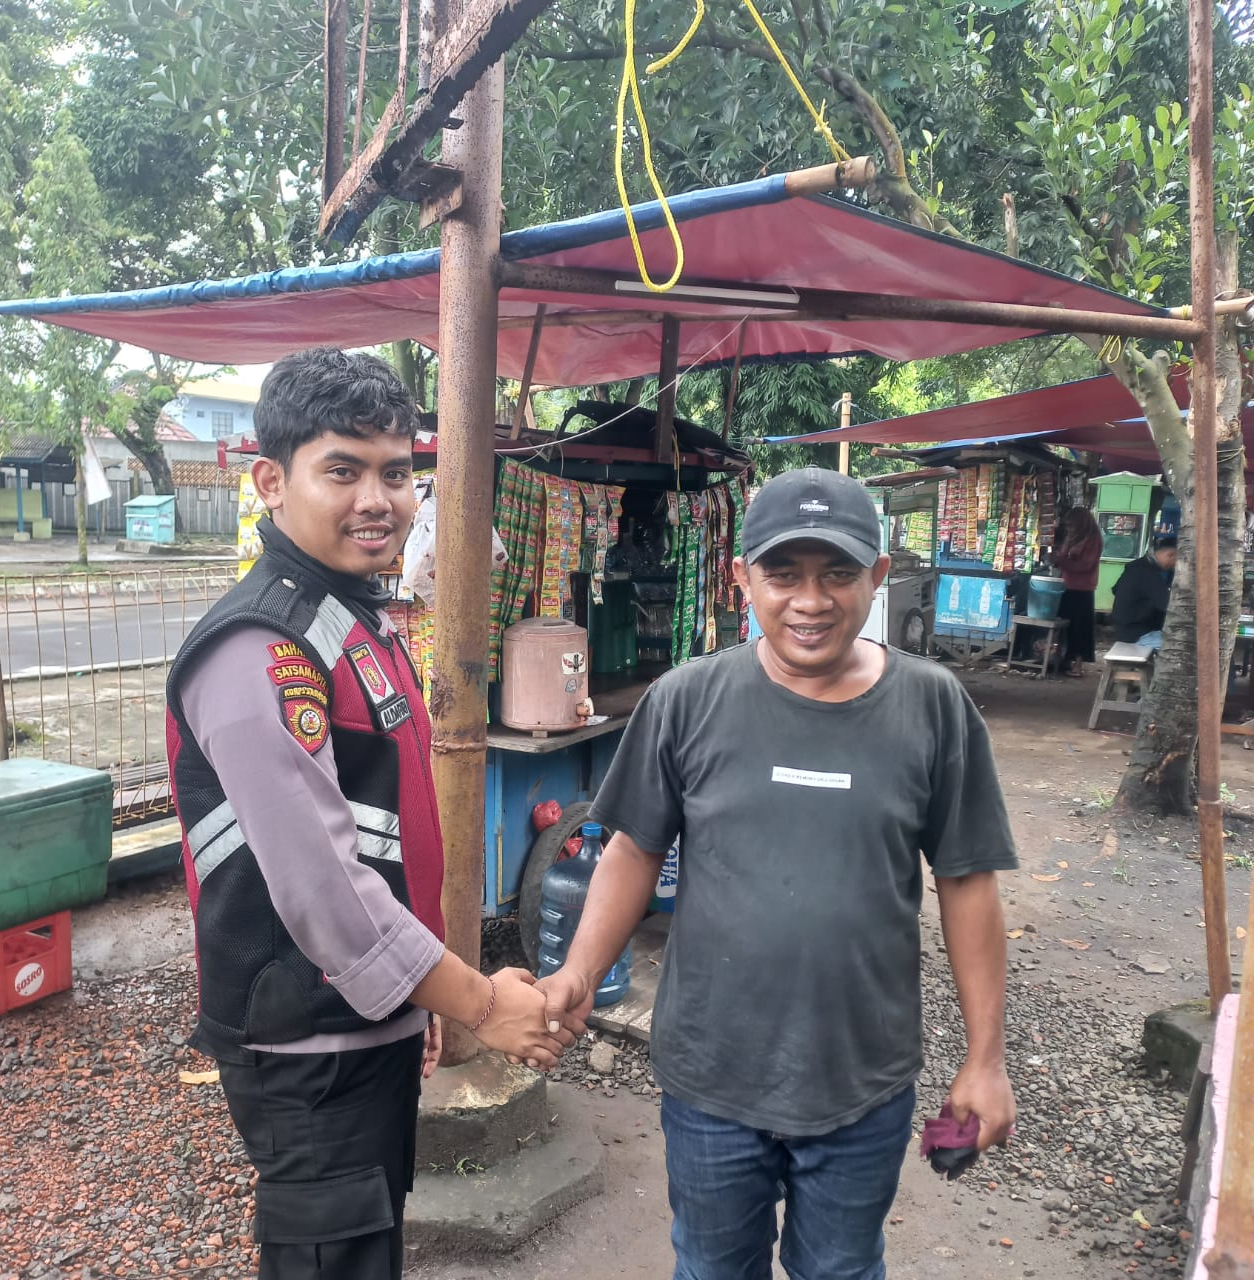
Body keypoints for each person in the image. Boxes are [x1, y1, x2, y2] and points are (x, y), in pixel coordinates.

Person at [535, 466, 1019, 1280]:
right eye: (783, 573)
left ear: (878, 574)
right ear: (741, 578)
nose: (810, 601)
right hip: (711, 1076)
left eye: (838, 573)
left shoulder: (934, 708)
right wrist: (579, 973)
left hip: (860, 1078)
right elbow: (633, 849)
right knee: (713, 1267)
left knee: (841, 1268)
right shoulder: (687, 699)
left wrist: (986, 1058)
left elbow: (968, 881)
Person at [166, 348, 582, 1280]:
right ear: (271, 482)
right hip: (307, 1040)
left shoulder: (353, 616)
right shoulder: (261, 647)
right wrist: (480, 1004)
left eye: (396, 473)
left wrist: (411, 999)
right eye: (342, 471)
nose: (378, 501)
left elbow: (388, 835)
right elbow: (325, 889)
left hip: (364, 1015)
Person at [1051, 507, 1103, 676]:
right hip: (1066, 585)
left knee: (1080, 628)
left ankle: (1078, 663)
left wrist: (1063, 561)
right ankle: (1064, 658)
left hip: (1082, 589)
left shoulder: (1093, 539)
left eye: (1072, 525)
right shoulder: (1072, 537)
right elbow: (1063, 556)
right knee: (1065, 626)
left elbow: (1086, 565)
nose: (1070, 528)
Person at [1111, 535, 1177, 649]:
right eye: (1177, 560)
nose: (1176, 565)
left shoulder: (1137, 566)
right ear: (1170, 555)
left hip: (1126, 630)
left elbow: (1115, 589)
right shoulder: (1147, 573)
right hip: (1138, 635)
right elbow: (1167, 606)